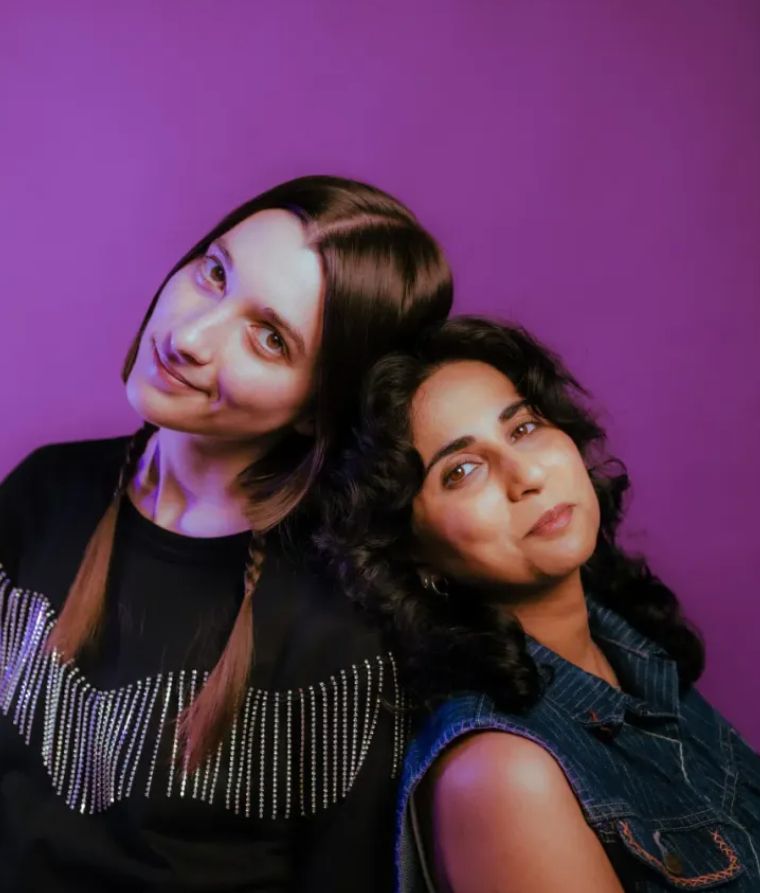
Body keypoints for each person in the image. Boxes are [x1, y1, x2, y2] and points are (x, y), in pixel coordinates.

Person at [0, 175, 453, 892]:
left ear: (317, 407)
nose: (187, 335)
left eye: (269, 338)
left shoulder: (342, 622)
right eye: (214, 273)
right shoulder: (42, 492)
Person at [318, 316, 760, 892]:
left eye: (523, 428)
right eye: (463, 470)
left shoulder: (631, 653)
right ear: (414, 556)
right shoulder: (502, 772)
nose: (524, 475)